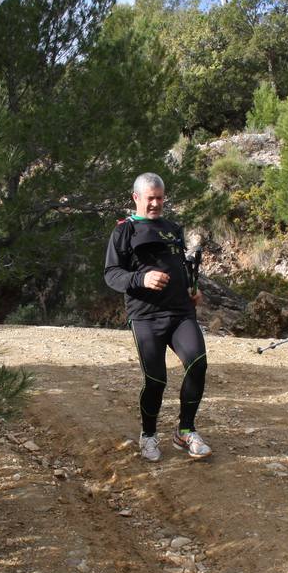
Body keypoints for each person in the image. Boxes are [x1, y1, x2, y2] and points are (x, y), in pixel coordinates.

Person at [104, 173, 211, 462]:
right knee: (156, 379)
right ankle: (149, 435)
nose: (155, 203)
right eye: (150, 198)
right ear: (136, 198)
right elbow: (111, 274)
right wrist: (141, 278)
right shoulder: (124, 231)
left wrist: (191, 288)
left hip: (180, 312)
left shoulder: (172, 228)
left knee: (197, 363)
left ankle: (185, 430)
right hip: (145, 316)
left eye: (160, 198)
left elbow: (180, 265)